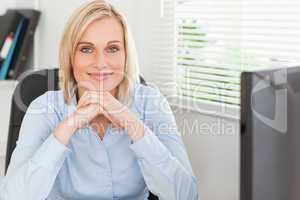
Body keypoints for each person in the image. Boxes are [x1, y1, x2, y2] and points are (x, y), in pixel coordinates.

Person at [0, 0, 199, 199]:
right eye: (86, 49)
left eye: (112, 49)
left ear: (126, 55)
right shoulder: (44, 108)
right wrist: (67, 128)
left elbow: (186, 195)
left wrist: (131, 123)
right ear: (70, 56)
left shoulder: (151, 103)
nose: (100, 63)